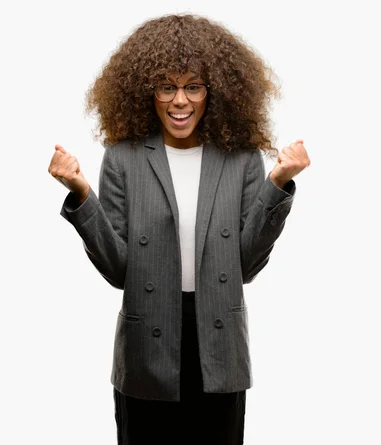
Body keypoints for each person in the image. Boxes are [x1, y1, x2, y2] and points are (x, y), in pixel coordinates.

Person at [47, 14, 310, 445]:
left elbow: (245, 265)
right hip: (147, 347)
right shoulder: (123, 159)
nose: (180, 101)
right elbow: (117, 271)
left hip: (219, 345)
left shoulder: (241, 159)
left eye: (193, 86)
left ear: (215, 91)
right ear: (145, 92)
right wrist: (80, 193)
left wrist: (277, 183)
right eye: (166, 86)